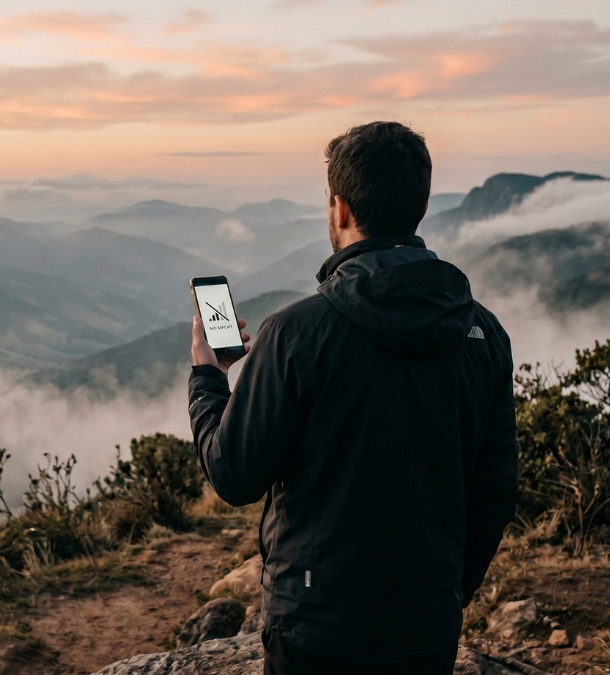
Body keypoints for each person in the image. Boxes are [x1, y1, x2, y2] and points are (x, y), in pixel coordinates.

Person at [187, 121, 518, 675]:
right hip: (425, 622)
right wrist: (448, 590)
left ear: (339, 209)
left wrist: (207, 375)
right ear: (420, 203)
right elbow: (496, 488)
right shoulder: (483, 333)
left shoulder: (296, 333)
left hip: (317, 627)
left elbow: (234, 474)